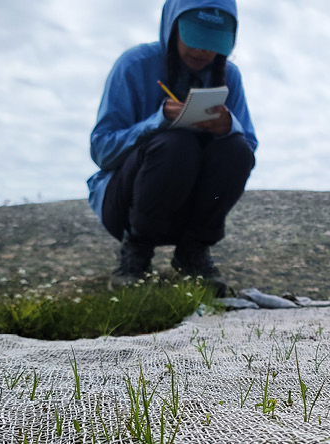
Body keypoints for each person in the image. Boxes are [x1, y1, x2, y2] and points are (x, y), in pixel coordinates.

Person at [87, 0, 258, 290]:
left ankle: (193, 254)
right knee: (176, 144)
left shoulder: (231, 76)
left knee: (237, 149)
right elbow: (102, 150)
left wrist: (228, 128)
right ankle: (135, 258)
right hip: (127, 206)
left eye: (213, 42)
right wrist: (157, 121)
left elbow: (249, 149)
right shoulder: (134, 65)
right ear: (172, 27)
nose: (203, 50)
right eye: (193, 38)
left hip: (188, 207)